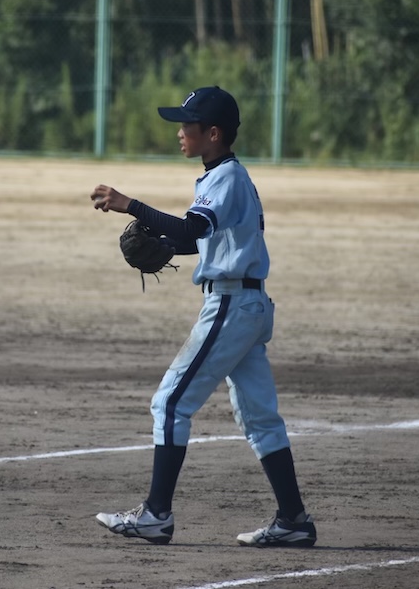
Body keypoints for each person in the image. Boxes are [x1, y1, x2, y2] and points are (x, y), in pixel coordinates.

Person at [89, 86, 315, 547]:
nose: (179, 131)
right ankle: (294, 520)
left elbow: (193, 227)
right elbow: (201, 239)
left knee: (170, 403)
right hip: (247, 303)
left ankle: (156, 514)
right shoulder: (225, 176)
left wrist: (130, 205)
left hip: (232, 305)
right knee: (259, 417)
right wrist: (165, 245)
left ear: (213, 133)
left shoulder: (226, 178)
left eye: (186, 124)